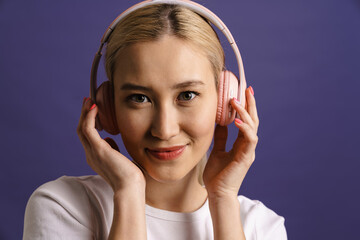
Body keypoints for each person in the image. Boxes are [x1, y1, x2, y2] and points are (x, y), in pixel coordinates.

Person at [23, 2, 287, 239]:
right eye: (139, 98)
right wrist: (128, 192)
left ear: (227, 100)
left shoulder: (262, 228)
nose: (164, 129)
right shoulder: (62, 207)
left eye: (187, 95)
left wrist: (223, 201)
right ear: (108, 107)